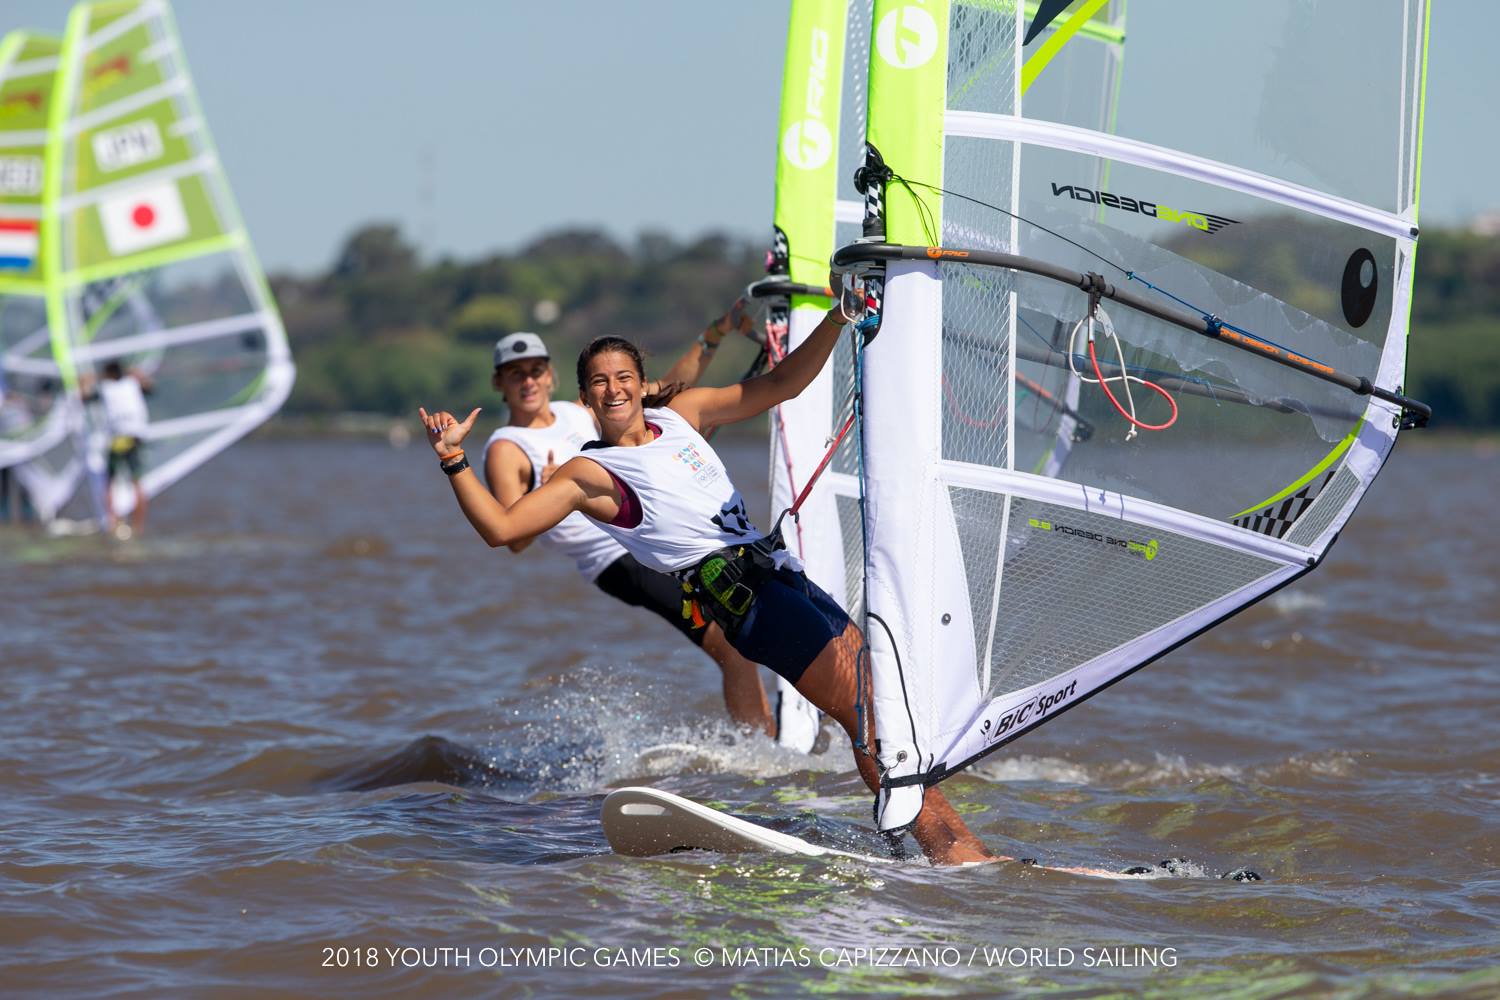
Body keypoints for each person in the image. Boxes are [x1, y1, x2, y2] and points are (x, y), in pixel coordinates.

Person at [417, 287, 994, 865]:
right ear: (585, 397)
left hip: (782, 575)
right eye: (598, 381)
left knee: (876, 705)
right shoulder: (589, 473)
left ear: (642, 384)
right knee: (865, 714)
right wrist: (453, 460)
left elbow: (781, 385)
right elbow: (502, 528)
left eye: (624, 377)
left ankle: (942, 844)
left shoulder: (681, 416)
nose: (613, 388)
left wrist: (838, 318)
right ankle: (947, 849)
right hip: (745, 603)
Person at [481, 311, 781, 737]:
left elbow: (666, 391)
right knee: (731, 643)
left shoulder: (582, 411)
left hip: (658, 538)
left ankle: (768, 734)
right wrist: (549, 495)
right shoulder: (508, 448)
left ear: (551, 377)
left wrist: (712, 335)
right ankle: (761, 753)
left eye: (535, 371)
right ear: (500, 385)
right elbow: (513, 540)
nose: (527, 382)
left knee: (747, 631)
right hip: (618, 560)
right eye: (515, 376)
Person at [82, 360, 153, 537]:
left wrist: (87, 381)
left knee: (110, 484)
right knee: (137, 483)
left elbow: (85, 398)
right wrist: (138, 374)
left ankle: (113, 524)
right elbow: (150, 388)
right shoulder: (132, 384)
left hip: (118, 440)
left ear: (108, 374)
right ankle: (138, 527)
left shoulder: (106, 388)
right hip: (135, 439)